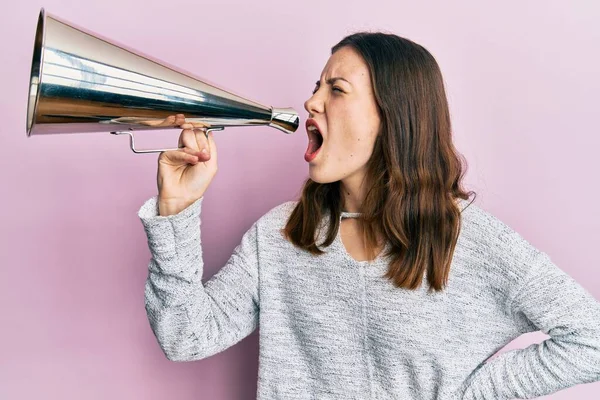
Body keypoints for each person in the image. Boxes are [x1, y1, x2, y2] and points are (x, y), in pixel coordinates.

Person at [137, 32, 600, 399]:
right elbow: (186, 336)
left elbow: (590, 339)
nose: (312, 103)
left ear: (393, 116)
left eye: (336, 89)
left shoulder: (469, 240)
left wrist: (468, 393)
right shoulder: (279, 235)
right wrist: (176, 211)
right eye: (316, 87)